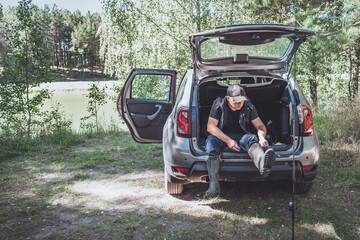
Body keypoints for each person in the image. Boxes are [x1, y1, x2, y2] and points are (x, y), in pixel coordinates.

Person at [205, 84, 275, 197]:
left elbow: (260, 126)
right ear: (228, 98)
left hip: (242, 136)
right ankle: (214, 186)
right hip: (222, 136)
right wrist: (228, 140)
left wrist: (262, 138)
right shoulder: (218, 103)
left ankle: (263, 164)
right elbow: (211, 127)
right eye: (236, 101)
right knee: (210, 142)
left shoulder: (247, 104)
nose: (240, 104)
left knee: (252, 139)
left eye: (241, 101)